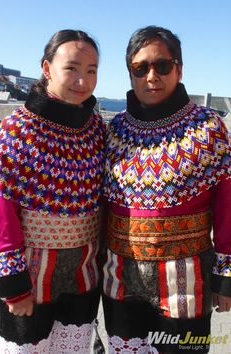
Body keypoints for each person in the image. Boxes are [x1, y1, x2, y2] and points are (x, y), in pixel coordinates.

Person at [102, 25, 231, 354]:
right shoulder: (114, 130)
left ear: (179, 68)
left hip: (186, 282)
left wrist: (226, 274)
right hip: (119, 279)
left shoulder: (208, 128)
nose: (151, 76)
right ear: (130, 73)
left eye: (162, 65)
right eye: (140, 67)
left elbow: (228, 206)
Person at [0, 29, 105, 353]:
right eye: (71, 68)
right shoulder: (17, 130)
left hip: (84, 275)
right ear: (47, 69)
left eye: (91, 71)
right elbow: (1, 213)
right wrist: (13, 285)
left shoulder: (97, 130)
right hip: (30, 277)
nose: (82, 81)